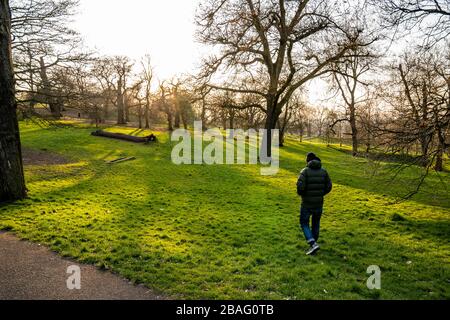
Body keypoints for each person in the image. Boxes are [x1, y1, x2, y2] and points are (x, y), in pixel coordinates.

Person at [296, 152, 332, 255]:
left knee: (304, 223)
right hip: (319, 203)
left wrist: (302, 194)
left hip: (306, 203)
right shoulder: (324, 172)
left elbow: (300, 187)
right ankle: (314, 244)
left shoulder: (305, 171)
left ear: (308, 161)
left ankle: (312, 244)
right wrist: (321, 194)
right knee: (316, 223)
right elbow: (329, 186)